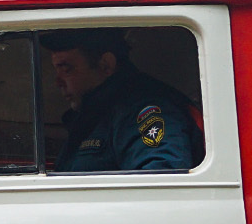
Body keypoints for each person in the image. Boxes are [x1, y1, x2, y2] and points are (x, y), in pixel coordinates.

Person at [41, 28, 201, 172]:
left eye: (66, 69)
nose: (58, 82)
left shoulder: (144, 109)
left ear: (105, 65)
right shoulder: (94, 116)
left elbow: (160, 183)